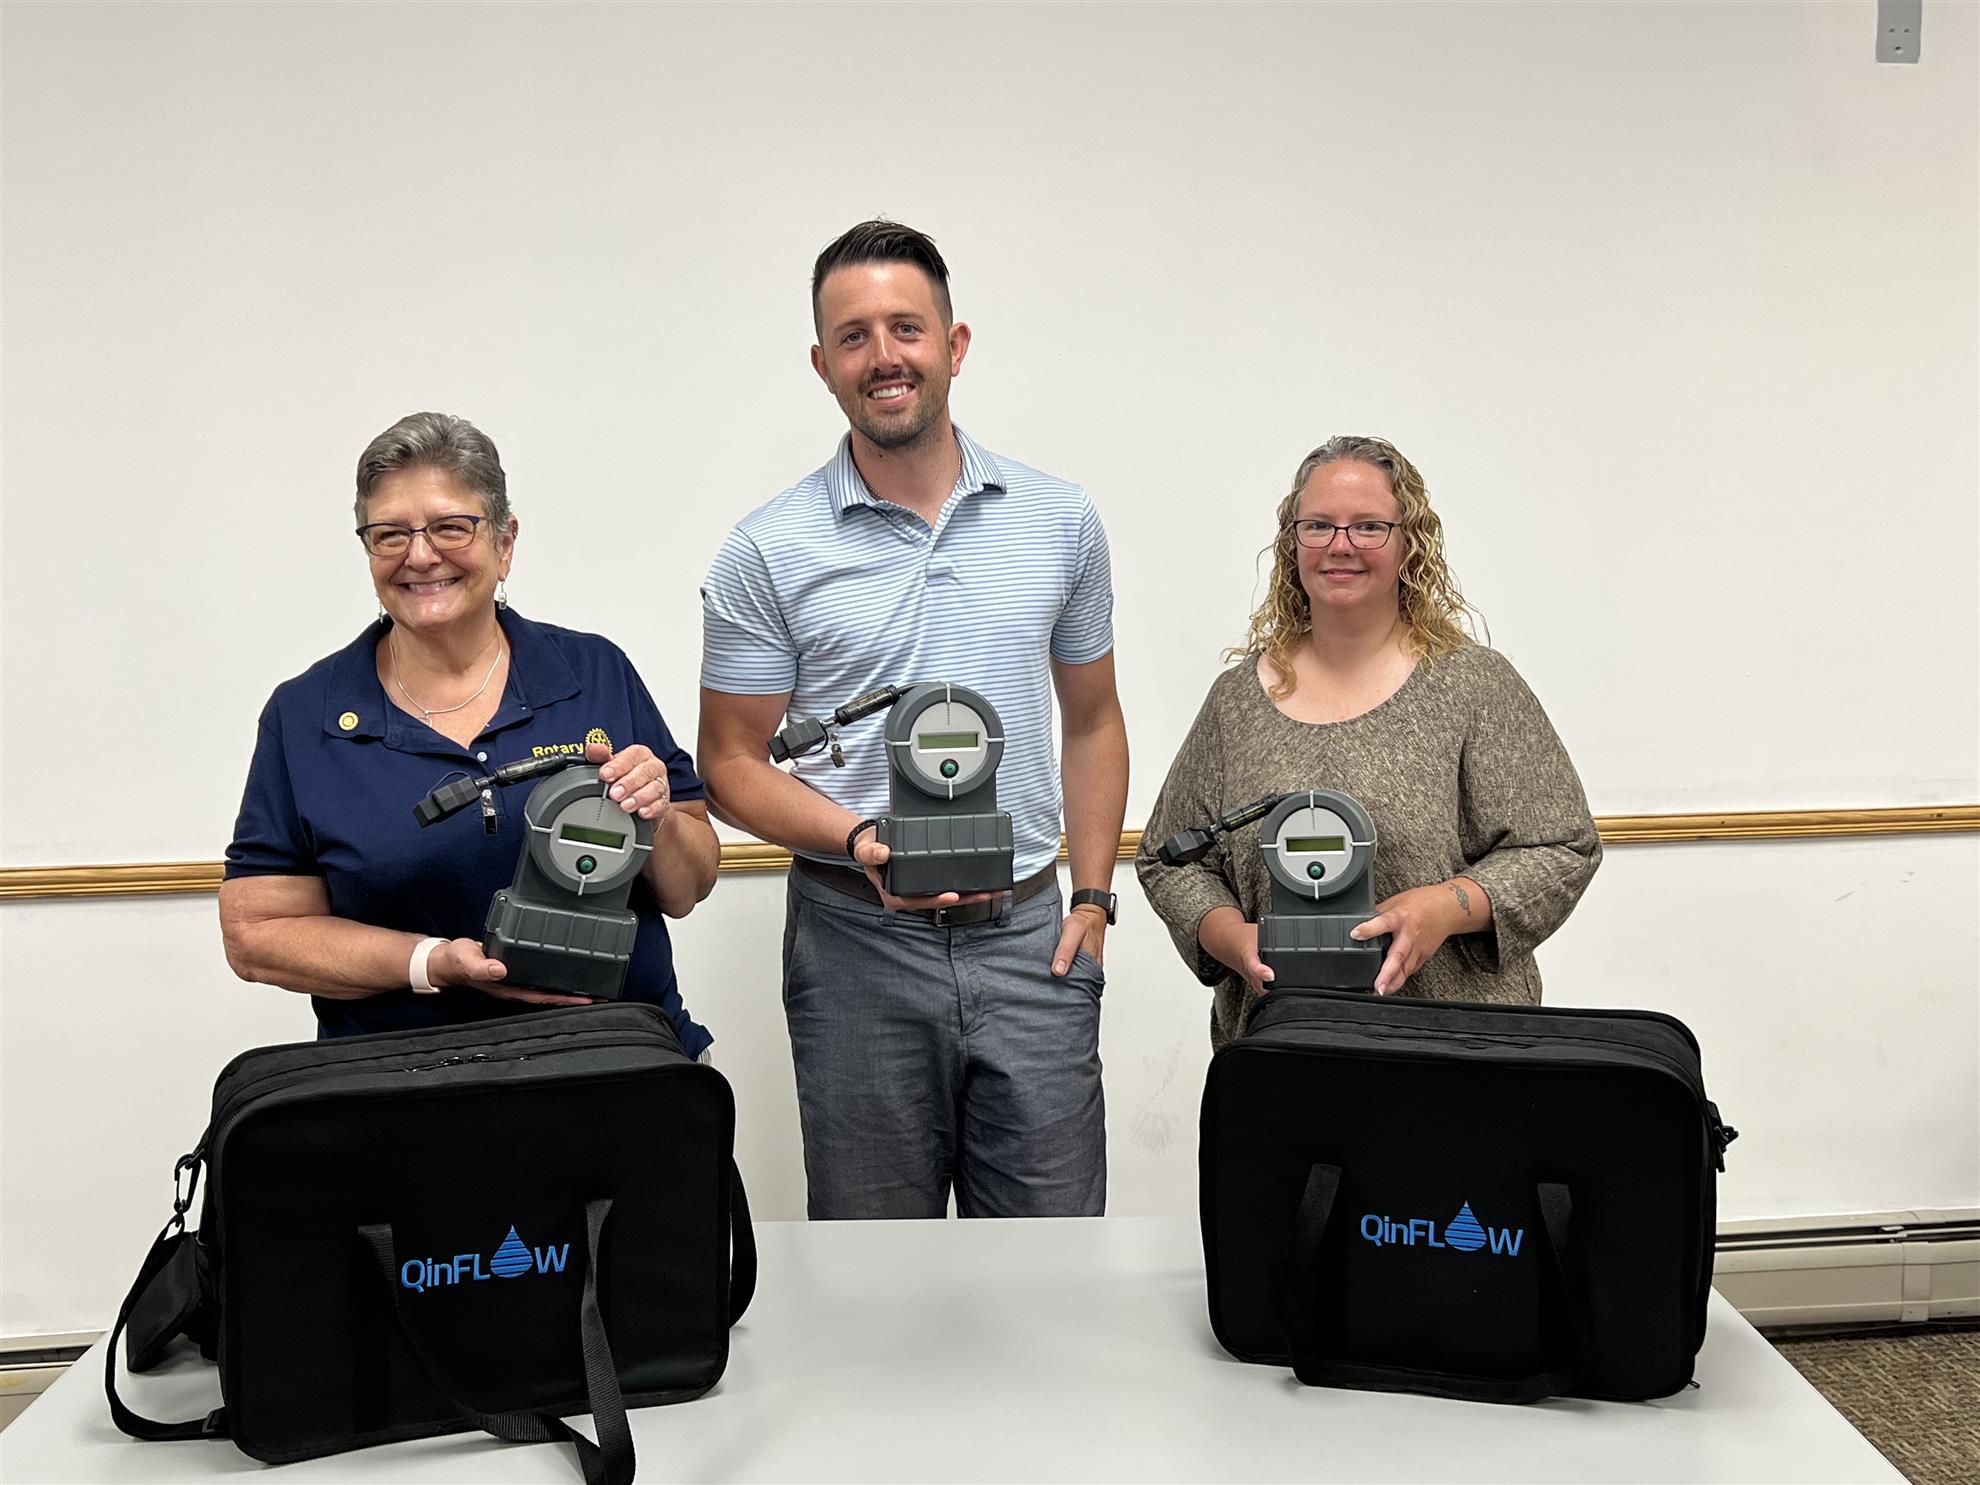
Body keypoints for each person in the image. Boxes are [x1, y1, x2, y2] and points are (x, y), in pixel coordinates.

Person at [698, 220, 1129, 1219]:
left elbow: (1094, 722)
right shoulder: (767, 549)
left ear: (955, 344)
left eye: (906, 328)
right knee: (872, 1270)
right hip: (856, 944)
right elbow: (729, 762)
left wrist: (1093, 900)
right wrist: (860, 838)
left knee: (1050, 1263)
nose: (883, 356)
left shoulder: (1059, 519)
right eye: (853, 336)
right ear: (822, 365)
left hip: (1030, 935)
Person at [220, 411, 720, 1053]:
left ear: (505, 542)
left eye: (451, 527)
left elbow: (688, 887)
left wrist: (658, 817)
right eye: (390, 534)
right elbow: (257, 934)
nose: (420, 555)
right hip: (406, 1078)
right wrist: (432, 963)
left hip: (618, 1058)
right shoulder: (304, 715)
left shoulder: (594, 671)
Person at [1136, 435, 1600, 1049]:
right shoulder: (1236, 701)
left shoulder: (1473, 684)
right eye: (1318, 525)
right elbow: (1167, 858)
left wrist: (1447, 906)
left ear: (1409, 543)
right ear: (1292, 543)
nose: (1341, 545)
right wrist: (1229, 937)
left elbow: (1562, 845)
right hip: (1283, 1051)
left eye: (1369, 527)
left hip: (1458, 1052)